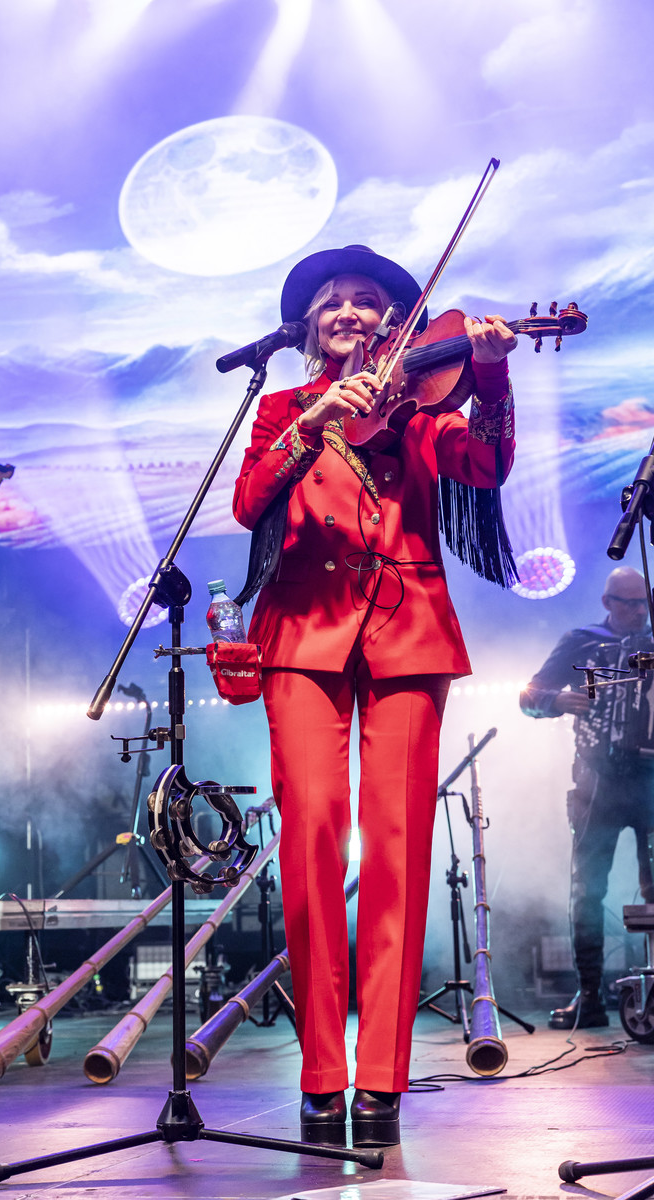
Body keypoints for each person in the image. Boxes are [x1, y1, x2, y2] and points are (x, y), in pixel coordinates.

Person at [232, 245, 517, 1146]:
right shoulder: (284, 407)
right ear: (309, 323)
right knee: (311, 838)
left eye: (366, 301)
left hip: (408, 632)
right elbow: (247, 503)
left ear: (396, 322)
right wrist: (312, 423)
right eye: (332, 302)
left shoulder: (425, 411)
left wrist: (493, 375)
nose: (349, 312)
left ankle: (382, 1079)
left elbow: (486, 467)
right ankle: (322, 1074)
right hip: (301, 634)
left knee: (396, 850)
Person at [520, 565, 654, 1030]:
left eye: (643, 602)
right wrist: (555, 701)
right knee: (587, 891)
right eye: (628, 603)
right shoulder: (582, 641)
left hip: (652, 780)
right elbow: (529, 695)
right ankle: (590, 995)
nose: (638, 611)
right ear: (607, 602)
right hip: (598, 782)